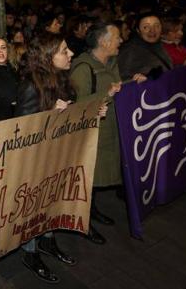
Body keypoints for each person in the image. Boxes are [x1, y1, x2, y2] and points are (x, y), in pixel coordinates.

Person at [16, 34, 80, 284]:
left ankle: (47, 241)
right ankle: (30, 253)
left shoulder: (61, 78)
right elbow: (21, 129)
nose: (71, 53)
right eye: (64, 50)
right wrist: (51, 114)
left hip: (56, 153)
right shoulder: (31, 85)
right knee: (35, 204)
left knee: (52, 197)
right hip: (34, 159)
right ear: (48, 56)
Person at [70, 22, 127, 245]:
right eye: (117, 37)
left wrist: (134, 83)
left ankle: (92, 212)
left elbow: (120, 88)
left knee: (96, 178)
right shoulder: (83, 69)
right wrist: (107, 94)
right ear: (103, 42)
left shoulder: (111, 63)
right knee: (87, 179)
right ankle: (83, 223)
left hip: (109, 129)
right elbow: (76, 106)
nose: (121, 40)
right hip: (91, 133)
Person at [118, 13, 173, 80]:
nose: (152, 30)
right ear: (138, 31)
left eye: (156, 26)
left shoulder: (159, 45)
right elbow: (122, 78)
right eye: (146, 27)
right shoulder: (130, 51)